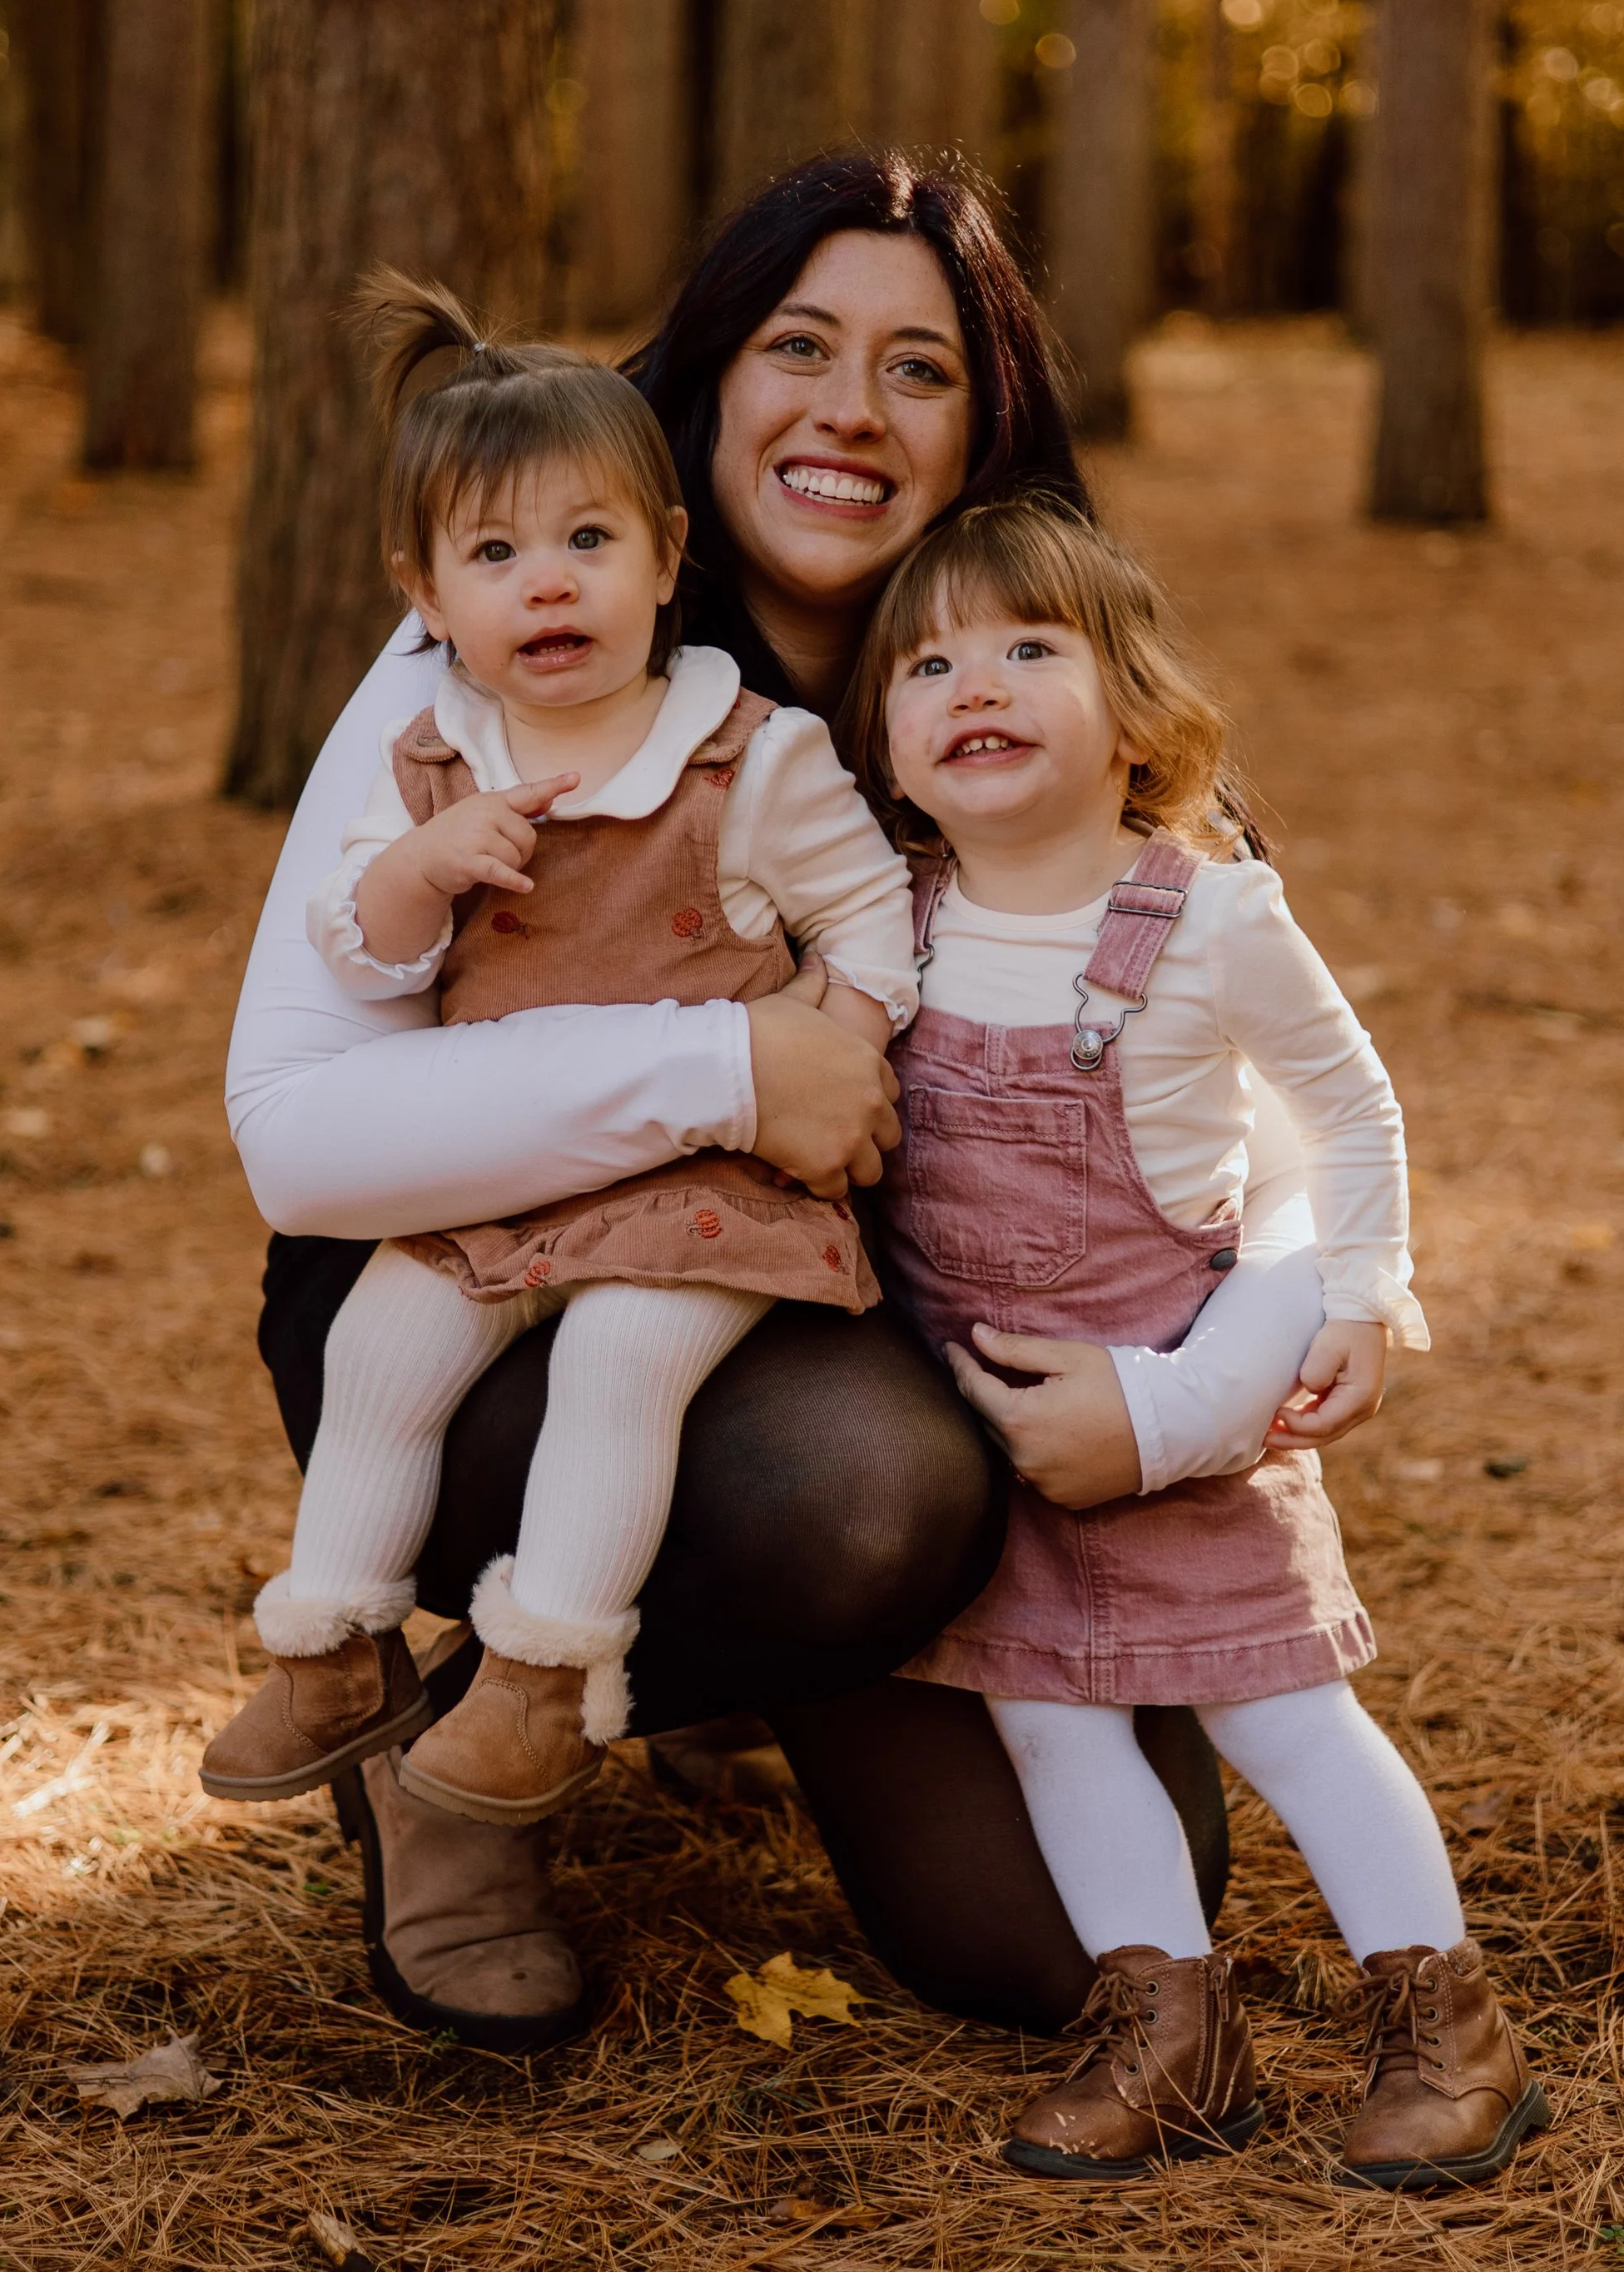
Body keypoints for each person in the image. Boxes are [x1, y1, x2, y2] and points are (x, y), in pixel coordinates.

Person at [226, 151, 1358, 2058]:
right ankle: (456, 1751)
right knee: (854, 1493)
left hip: (880, 1330)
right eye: (797, 346)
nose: (849, 407)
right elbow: (296, 1130)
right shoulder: (503, 652)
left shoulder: (1040, 685)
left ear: (984, 428)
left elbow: (1275, 1109)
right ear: (709, 385)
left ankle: (729, 1663)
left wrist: (1197, 1386)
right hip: (490, 1303)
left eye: (916, 369)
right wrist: (728, 1063)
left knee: (1056, 1953)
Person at [851, 496, 1548, 2192]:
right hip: (1003, 1442)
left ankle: (1444, 2020)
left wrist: (1362, 1294)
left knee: (1284, 1717)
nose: (976, 683)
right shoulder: (895, 923)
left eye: (1028, 647)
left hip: (1185, 1418)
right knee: (1048, 1721)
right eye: (929, 660)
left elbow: (1348, 1105)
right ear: (888, 745)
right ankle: (1168, 2027)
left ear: (1135, 719)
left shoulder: (1204, 918)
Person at [203, 277, 916, 1819]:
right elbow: (360, 950)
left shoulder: (746, 751)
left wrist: (837, 1050)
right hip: (505, 1179)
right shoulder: (430, 753)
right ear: (426, 591)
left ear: (667, 559)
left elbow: (874, 909)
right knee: (380, 1350)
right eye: (496, 554)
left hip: (708, 1185)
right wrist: (417, 869)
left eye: (589, 542)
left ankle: (542, 1678)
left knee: (617, 1361)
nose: (548, 587)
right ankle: (337, 1645)